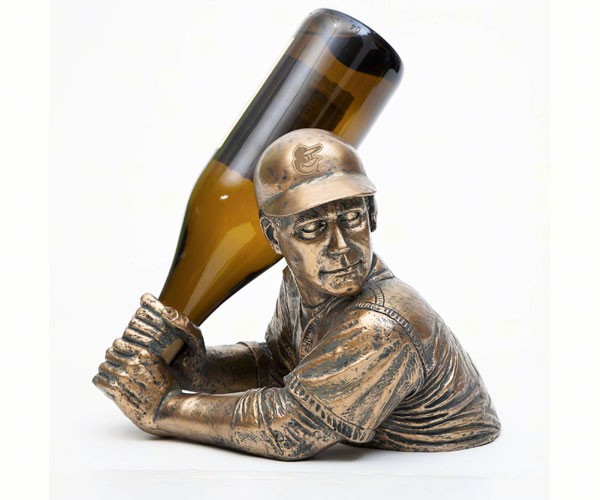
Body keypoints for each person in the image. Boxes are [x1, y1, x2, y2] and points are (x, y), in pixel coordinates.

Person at [93, 129, 501, 460]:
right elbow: (281, 363)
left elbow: (293, 426)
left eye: (352, 218)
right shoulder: (303, 283)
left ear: (372, 216)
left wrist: (165, 409)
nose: (341, 247)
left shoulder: (379, 324)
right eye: (311, 229)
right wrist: (203, 368)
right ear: (274, 237)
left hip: (440, 472)